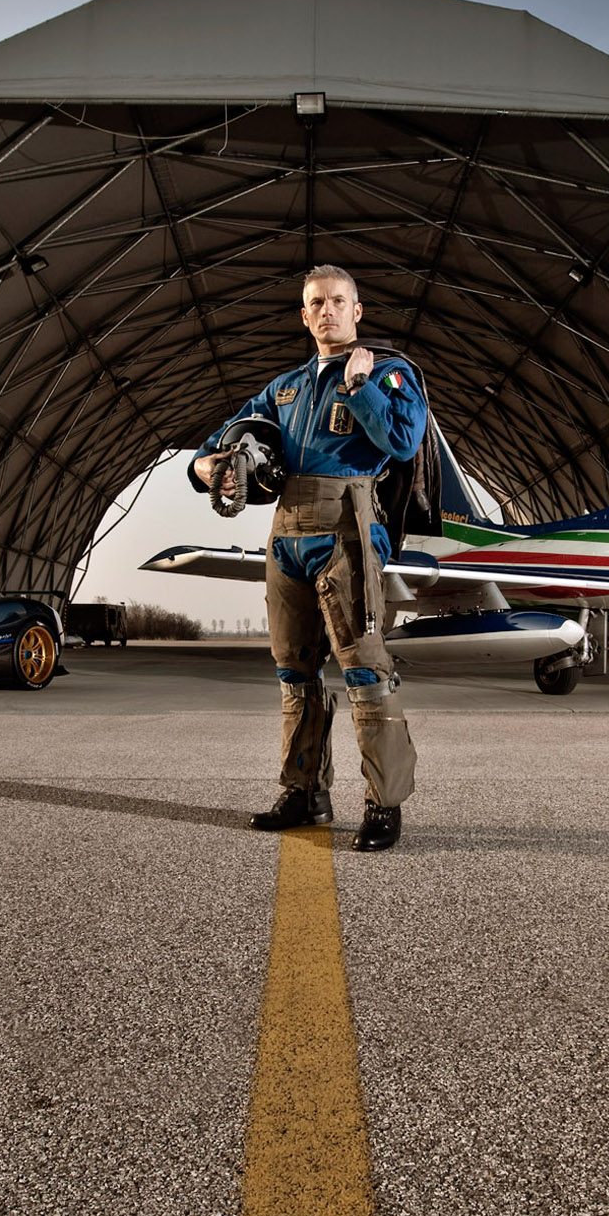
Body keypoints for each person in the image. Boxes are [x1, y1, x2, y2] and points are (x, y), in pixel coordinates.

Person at [190, 265, 428, 852]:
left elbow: (402, 442)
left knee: (364, 668)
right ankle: (303, 792)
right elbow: (224, 438)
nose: (327, 310)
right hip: (286, 533)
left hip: (346, 525)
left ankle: (383, 805)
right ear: (304, 315)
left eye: (338, 301)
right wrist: (203, 467)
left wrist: (360, 386)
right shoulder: (285, 388)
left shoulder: (389, 373)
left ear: (357, 310)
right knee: (293, 670)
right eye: (316, 303)